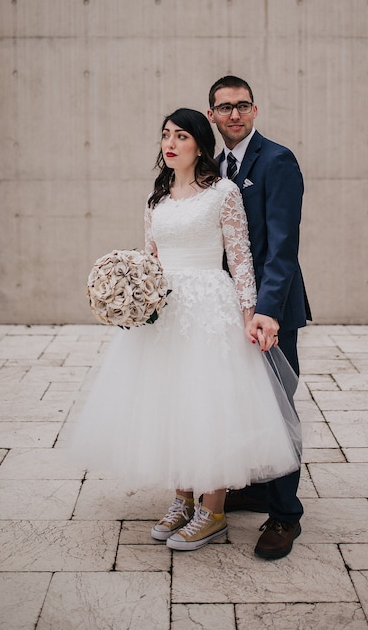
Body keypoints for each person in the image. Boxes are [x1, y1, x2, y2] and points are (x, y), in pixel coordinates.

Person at [65, 108, 301, 552]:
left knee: (209, 401)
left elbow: (242, 258)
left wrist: (251, 315)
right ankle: (182, 498)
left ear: (199, 143)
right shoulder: (156, 199)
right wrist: (132, 294)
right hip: (166, 312)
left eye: (181, 136)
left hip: (211, 305)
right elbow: (150, 259)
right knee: (170, 399)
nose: (170, 144)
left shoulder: (223, 193)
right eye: (165, 136)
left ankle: (212, 511)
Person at [207, 75, 311, 560]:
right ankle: (255, 488)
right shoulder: (210, 166)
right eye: (225, 108)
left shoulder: (277, 160)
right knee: (237, 401)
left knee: (275, 406)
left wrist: (267, 312)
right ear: (211, 115)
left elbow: (283, 246)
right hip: (223, 308)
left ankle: (285, 514)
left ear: (255, 110)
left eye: (242, 106)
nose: (234, 115)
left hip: (270, 309)